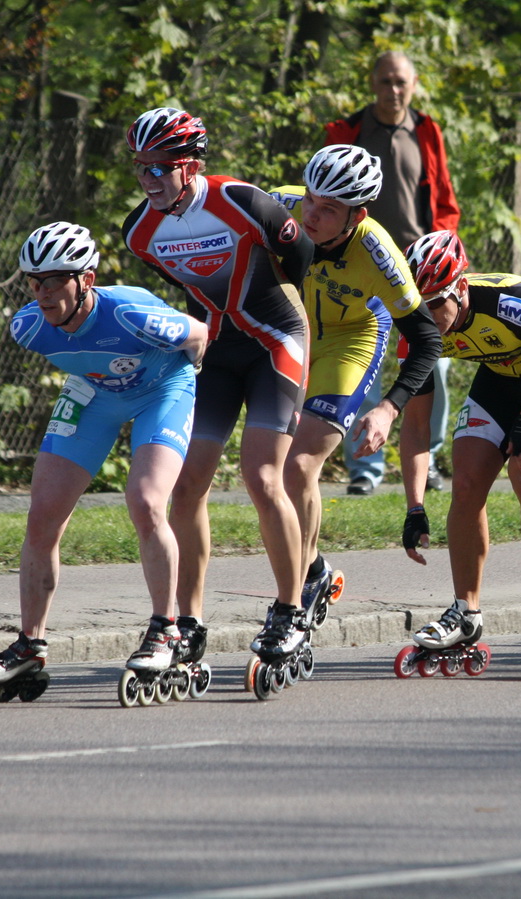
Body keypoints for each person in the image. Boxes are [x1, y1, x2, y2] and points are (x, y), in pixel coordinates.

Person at [0, 222, 208, 688]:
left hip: (163, 389)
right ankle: (30, 645)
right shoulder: (28, 327)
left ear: (87, 280)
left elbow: (199, 335)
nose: (43, 292)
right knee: (42, 517)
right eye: (35, 281)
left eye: (56, 280)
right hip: (95, 394)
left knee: (145, 501)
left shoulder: (131, 313)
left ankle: (166, 630)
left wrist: (190, 380)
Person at [121, 106, 315, 665]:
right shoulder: (140, 232)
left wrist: (298, 325)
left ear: (191, 164)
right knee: (187, 488)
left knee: (260, 476)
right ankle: (189, 620)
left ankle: (289, 610)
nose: (149, 180)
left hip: (277, 339)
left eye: (161, 168)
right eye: (141, 168)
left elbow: (300, 255)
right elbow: (188, 293)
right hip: (218, 352)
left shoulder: (242, 201)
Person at [397, 230, 521, 651]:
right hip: (501, 377)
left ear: (462, 288)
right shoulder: (415, 328)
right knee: (466, 484)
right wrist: (414, 505)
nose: (427, 315)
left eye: (436, 302)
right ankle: (465, 612)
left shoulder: (512, 302)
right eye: (418, 305)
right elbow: (416, 426)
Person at [269, 145, 442, 616]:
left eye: (328, 209)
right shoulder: (277, 206)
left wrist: (389, 407)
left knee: (299, 465)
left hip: (351, 341)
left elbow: (428, 341)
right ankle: (313, 572)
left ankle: (296, 595)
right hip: (291, 333)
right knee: (266, 469)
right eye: (310, 199)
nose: (312, 215)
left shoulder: (378, 252)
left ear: (356, 215)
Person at [326, 50, 461, 495]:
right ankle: (365, 468)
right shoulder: (345, 132)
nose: (393, 90)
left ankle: (429, 460)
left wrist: (443, 254)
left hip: (417, 271)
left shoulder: (426, 131)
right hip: (358, 267)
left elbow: (444, 202)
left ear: (414, 83)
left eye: (401, 82)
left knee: (433, 365)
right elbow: (324, 199)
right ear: (372, 83)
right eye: (385, 81)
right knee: (363, 364)